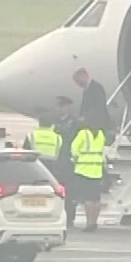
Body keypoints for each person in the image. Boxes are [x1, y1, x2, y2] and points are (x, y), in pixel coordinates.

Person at [71, 110, 106, 232]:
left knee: (87, 199)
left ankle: (89, 223)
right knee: (96, 199)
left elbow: (74, 149)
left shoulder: (83, 133)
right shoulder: (101, 134)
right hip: (97, 170)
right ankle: (94, 222)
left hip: (84, 170)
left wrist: (75, 159)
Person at [53, 95, 79, 228]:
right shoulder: (55, 121)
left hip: (68, 159)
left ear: (69, 107)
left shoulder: (74, 122)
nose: (61, 109)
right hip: (56, 159)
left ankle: (69, 217)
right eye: (60, 106)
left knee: (69, 191)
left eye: (63, 106)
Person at [72, 68, 113, 141]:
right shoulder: (86, 91)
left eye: (78, 80)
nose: (78, 83)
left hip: (99, 124)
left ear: (84, 76)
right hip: (89, 124)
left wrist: (86, 116)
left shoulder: (97, 88)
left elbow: (100, 106)